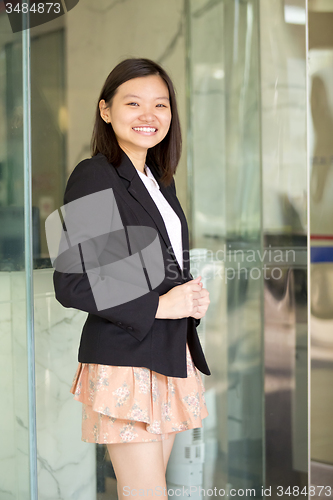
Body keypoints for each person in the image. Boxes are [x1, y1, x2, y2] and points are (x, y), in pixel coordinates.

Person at [52, 57, 211, 498]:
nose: (150, 116)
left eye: (161, 105)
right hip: (126, 358)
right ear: (106, 110)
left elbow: (146, 269)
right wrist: (162, 305)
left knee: (142, 491)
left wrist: (189, 296)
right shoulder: (95, 176)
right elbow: (73, 282)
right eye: (134, 103)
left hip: (168, 353)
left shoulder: (160, 180)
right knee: (146, 492)